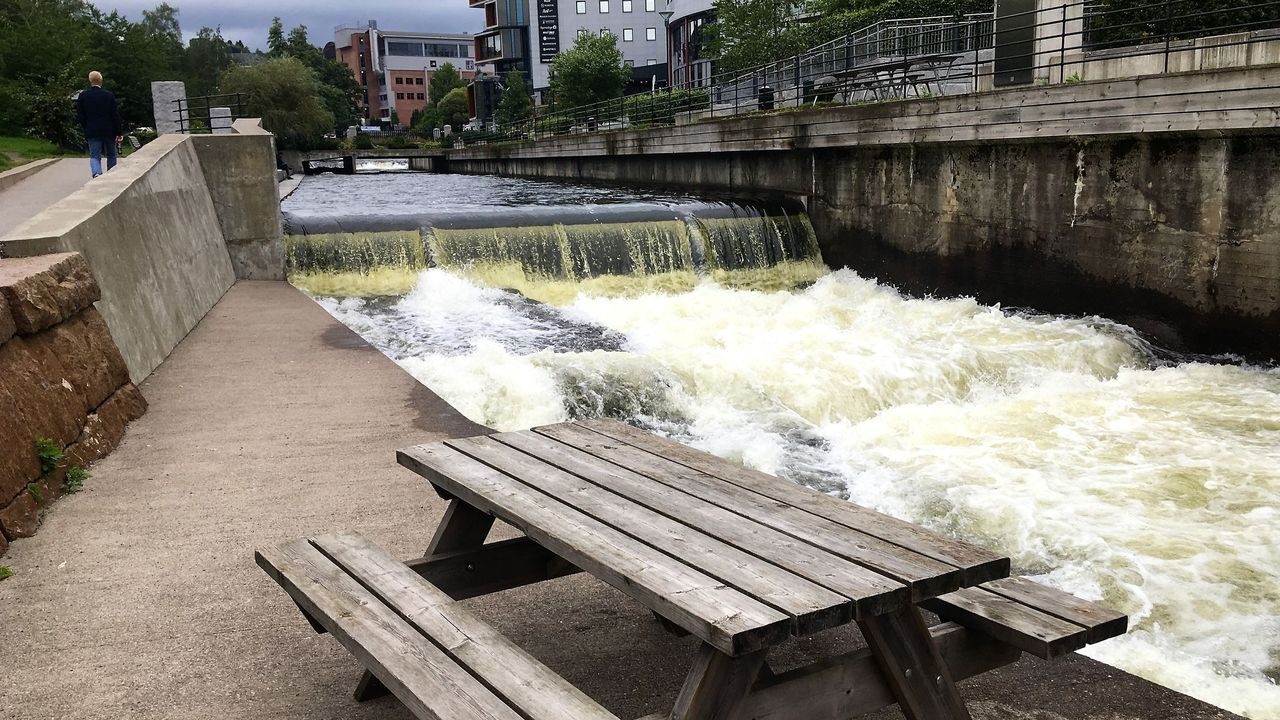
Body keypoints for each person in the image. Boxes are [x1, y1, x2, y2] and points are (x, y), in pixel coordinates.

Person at [75, 71, 123, 178]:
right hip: (109, 130)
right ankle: (111, 174)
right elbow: (115, 115)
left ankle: (97, 173)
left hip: (92, 129)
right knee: (111, 154)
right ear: (101, 81)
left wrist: (86, 126)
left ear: (90, 80)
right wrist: (119, 132)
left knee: (95, 155)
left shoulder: (83, 96)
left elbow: (81, 115)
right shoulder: (108, 95)